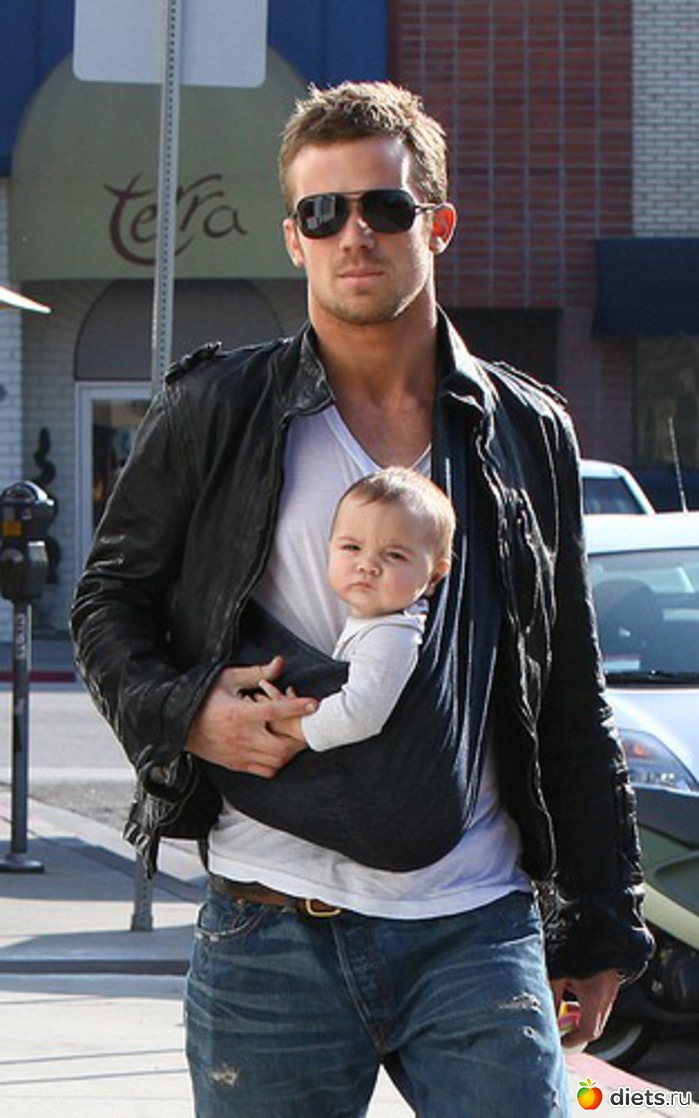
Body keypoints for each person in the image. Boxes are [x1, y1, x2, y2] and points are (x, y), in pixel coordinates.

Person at [71, 80, 653, 1117]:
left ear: (438, 223)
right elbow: (109, 601)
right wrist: (186, 711)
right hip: (268, 927)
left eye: (384, 206)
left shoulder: (526, 430)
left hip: (477, 927)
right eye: (322, 211)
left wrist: (601, 920)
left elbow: (568, 684)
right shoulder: (220, 409)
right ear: (292, 238)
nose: (354, 234)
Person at [259, 466, 455, 750]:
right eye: (352, 547)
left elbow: (360, 716)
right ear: (330, 548)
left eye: (394, 555)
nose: (367, 565)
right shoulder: (376, 626)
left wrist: (291, 725)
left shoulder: (392, 636)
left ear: (434, 576)